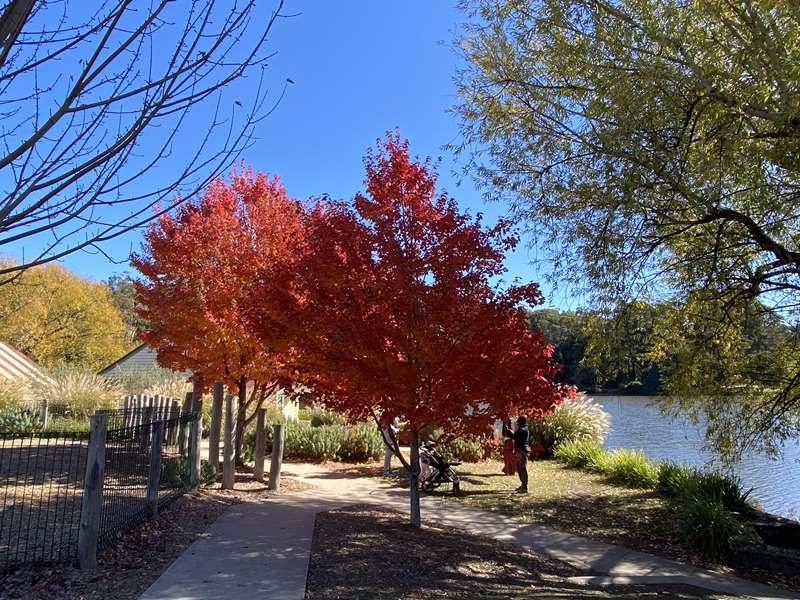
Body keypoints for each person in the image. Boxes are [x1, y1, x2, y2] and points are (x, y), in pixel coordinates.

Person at [502, 416, 530, 493]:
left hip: (521, 451)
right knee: (520, 468)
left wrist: (507, 430)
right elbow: (515, 436)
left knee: (521, 468)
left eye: (518, 421)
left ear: (521, 421)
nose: (517, 422)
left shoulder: (522, 429)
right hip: (522, 450)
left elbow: (514, 436)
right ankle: (523, 485)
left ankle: (524, 487)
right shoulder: (524, 429)